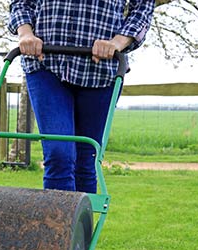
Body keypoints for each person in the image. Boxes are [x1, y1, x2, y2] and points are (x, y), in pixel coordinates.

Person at [9, 0, 154, 193]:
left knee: (86, 159)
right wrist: (26, 34)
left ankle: (81, 223)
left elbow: (142, 9)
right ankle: (58, 223)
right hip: (45, 63)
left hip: (101, 71)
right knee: (59, 154)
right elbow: (21, 2)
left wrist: (116, 43)